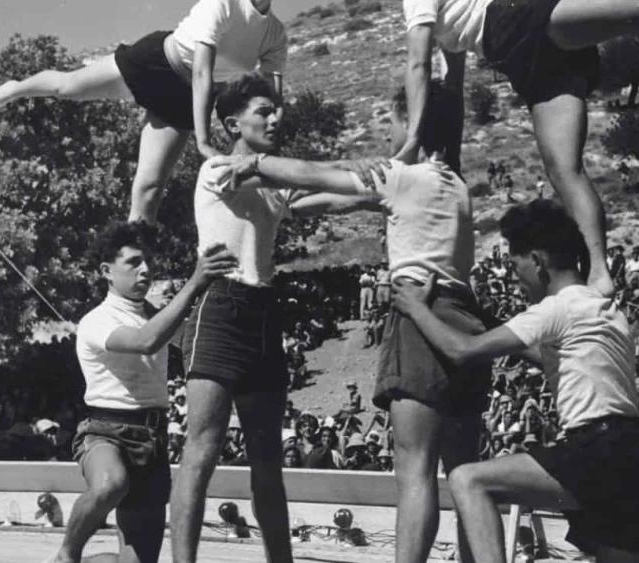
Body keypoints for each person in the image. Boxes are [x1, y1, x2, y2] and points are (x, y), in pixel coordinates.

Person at [212, 79, 486, 563]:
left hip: (422, 315)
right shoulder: (455, 184)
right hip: (467, 316)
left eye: (395, 124)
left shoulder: (403, 176)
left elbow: (315, 175)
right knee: (465, 472)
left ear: (412, 124)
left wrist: (253, 163)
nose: (389, 137)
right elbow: (339, 199)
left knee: (415, 469)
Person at [395, 0, 639, 298]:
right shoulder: (447, 17)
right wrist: (451, 159)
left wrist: (412, 142)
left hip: (516, 20)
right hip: (523, 57)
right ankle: (599, 275)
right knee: (563, 169)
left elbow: (418, 64)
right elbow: (452, 85)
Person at [170, 73, 383, 563]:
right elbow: (308, 174)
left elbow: (322, 197)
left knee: (267, 460)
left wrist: (381, 187)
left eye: (276, 110)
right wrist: (352, 164)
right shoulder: (219, 169)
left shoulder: (271, 184)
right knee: (200, 451)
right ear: (232, 123)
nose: (275, 118)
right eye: (263, 111)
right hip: (220, 307)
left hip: (264, 312)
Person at [391, 200, 639, 563]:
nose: (515, 277)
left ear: (537, 261)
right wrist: (486, 320)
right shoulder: (606, 312)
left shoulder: (557, 308)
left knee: (467, 479)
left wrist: (417, 309)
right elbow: (550, 357)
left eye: (515, 265)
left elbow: (461, 351)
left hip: (599, 451)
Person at [0, 0, 288, 224]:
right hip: (155, 64)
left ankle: (132, 281)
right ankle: (15, 87)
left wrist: (268, 151)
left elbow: (273, 99)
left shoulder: (274, 34)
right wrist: (204, 142)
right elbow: (201, 75)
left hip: (183, 99)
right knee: (67, 88)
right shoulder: (223, 4)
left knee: (149, 191)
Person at [48, 221, 237, 563]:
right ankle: (67, 554)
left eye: (147, 261)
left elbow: (179, 339)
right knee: (109, 484)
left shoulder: (156, 315)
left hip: (154, 437)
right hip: (106, 430)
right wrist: (195, 282)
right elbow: (145, 341)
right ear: (106, 271)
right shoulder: (97, 320)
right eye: (133, 262)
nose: (145, 269)